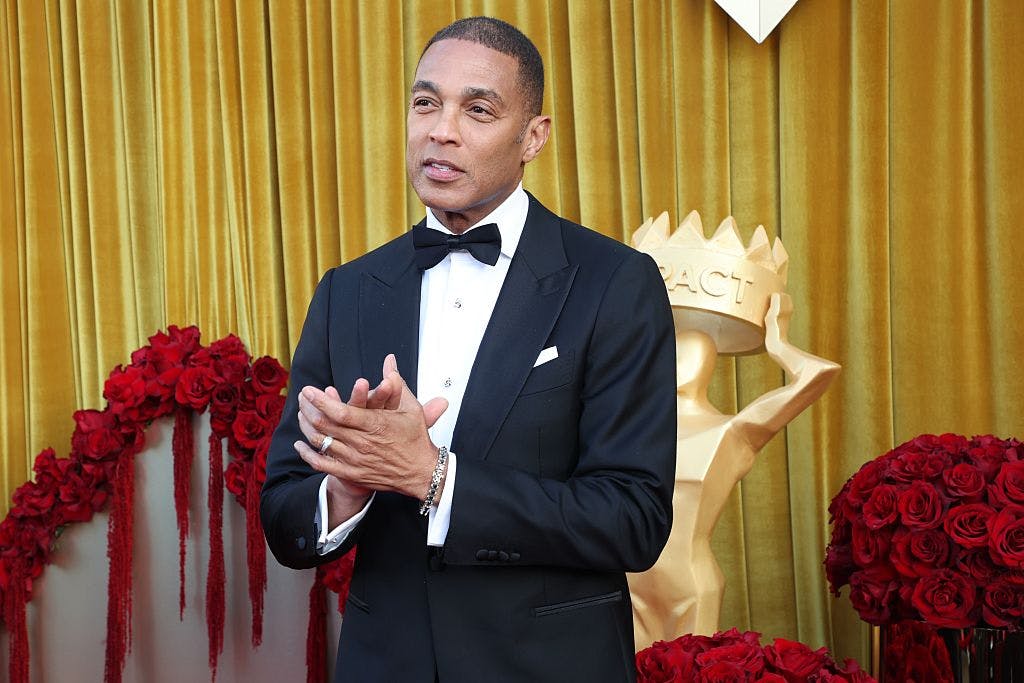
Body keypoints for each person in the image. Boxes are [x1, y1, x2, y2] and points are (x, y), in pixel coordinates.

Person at [261, 16, 676, 682]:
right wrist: (346, 486)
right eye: (426, 103)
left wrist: (435, 477)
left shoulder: (614, 282)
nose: (441, 130)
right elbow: (285, 518)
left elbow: (634, 519)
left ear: (532, 136)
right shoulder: (348, 291)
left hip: (549, 667)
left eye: (477, 110)